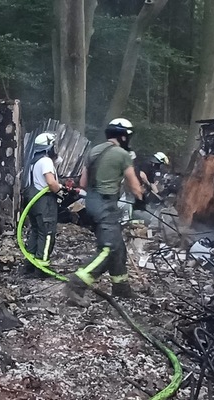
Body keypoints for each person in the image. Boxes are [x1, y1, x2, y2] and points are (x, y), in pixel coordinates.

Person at [63, 118, 144, 307]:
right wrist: (141, 199)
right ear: (123, 136)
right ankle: (76, 284)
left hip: (91, 202)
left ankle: (121, 287)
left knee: (117, 245)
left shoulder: (94, 151)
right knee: (108, 248)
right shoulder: (122, 154)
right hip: (106, 204)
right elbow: (133, 184)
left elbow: (83, 183)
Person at [21, 132, 62, 278]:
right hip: (44, 203)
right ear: (49, 147)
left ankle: (29, 265)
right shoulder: (46, 161)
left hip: (33, 203)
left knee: (36, 232)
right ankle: (42, 269)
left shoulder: (34, 161)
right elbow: (51, 182)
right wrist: (60, 189)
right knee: (47, 234)